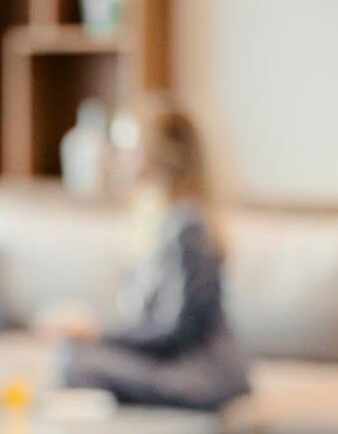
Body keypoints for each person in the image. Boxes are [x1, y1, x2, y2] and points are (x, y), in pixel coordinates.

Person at [44, 94, 251, 411]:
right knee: (73, 356)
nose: (116, 159)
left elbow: (175, 329)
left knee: (76, 361)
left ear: (157, 156)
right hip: (174, 363)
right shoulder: (155, 220)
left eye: (127, 149)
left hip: (199, 373)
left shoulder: (186, 226)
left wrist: (96, 332)